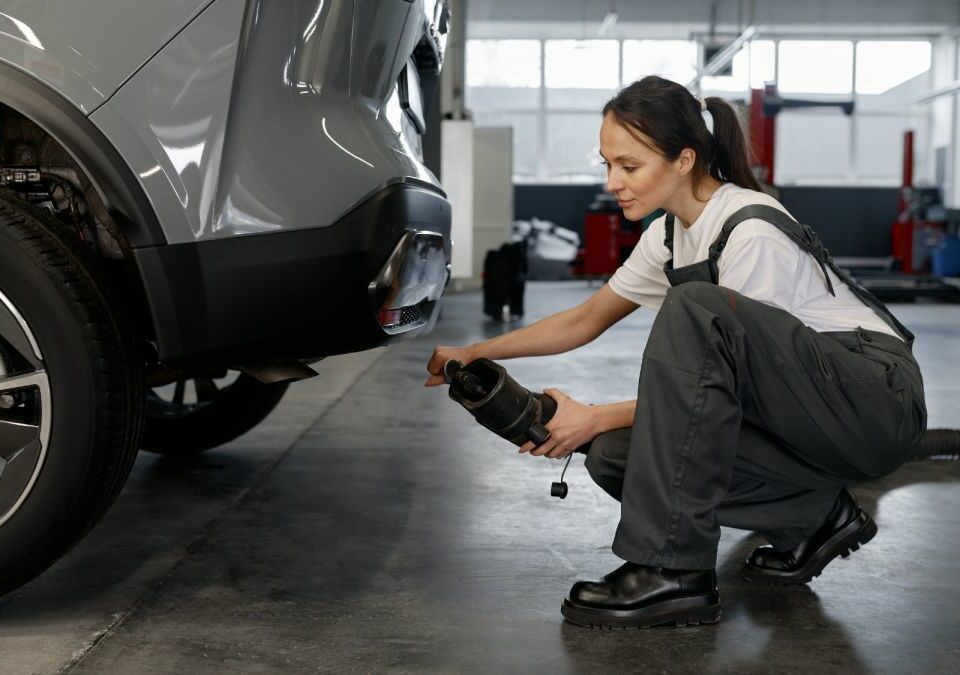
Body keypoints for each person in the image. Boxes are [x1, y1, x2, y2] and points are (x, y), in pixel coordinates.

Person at [424, 76, 927, 630]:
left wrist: (589, 417)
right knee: (619, 453)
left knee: (694, 310)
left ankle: (674, 574)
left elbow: (720, 394)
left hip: (871, 401)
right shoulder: (669, 234)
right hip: (809, 412)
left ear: (684, 159)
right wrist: (477, 350)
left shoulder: (749, 229)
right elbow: (585, 319)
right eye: (607, 165)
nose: (614, 182)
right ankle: (815, 517)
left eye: (630, 166)